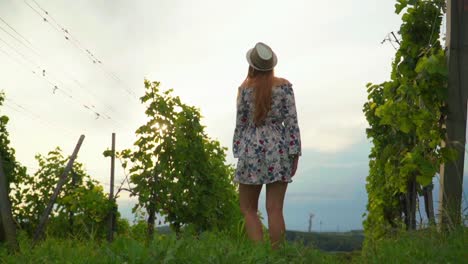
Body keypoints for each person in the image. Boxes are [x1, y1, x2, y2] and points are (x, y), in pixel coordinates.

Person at [233, 42, 301, 249]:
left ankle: (259, 257)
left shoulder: (244, 90)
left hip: (251, 149)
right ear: (271, 65)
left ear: (252, 65)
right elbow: (292, 122)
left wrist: (238, 150)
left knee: (248, 208)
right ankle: (277, 256)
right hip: (278, 148)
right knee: (275, 209)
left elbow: (241, 124)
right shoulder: (285, 86)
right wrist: (294, 153)